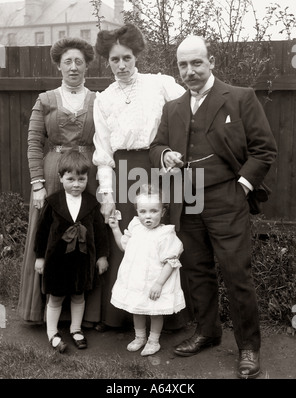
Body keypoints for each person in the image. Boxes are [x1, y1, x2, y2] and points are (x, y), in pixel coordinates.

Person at [149, 35, 277, 378]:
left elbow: (264, 150)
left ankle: (249, 347)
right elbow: (156, 145)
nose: (189, 71)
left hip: (227, 199)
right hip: (187, 200)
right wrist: (164, 154)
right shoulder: (172, 107)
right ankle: (207, 332)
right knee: (196, 271)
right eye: (183, 65)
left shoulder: (240, 98)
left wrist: (241, 187)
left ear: (212, 61)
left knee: (237, 274)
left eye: (196, 63)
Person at [92, 23, 192, 331]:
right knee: (130, 241)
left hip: (157, 168)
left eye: (127, 58)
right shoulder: (103, 99)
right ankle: (123, 318)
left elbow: (192, 106)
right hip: (124, 175)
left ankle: (167, 317)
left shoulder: (159, 84)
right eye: (114, 59)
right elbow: (103, 152)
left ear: (136, 56)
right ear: (107, 61)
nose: (121, 65)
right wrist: (107, 195)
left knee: (160, 241)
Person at [18, 37, 103, 328]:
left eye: (79, 61)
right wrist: (38, 183)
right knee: (50, 233)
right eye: (67, 61)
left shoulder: (97, 100)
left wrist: (104, 179)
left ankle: (86, 314)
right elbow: (33, 144)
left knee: (87, 235)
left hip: (86, 175)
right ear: (58, 65)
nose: (74, 66)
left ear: (87, 65)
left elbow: (105, 143)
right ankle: (44, 310)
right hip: (54, 174)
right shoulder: (45, 100)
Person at [34, 150, 109, 352]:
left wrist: (102, 256)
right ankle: (52, 332)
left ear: (86, 179)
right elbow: (41, 233)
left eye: (81, 179)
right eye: (70, 179)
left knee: (78, 296)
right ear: (60, 178)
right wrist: (40, 258)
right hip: (57, 260)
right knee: (56, 297)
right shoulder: (52, 202)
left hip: (82, 260)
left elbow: (101, 233)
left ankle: (76, 329)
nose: (76, 184)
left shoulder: (92, 203)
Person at [108, 184, 185, 356]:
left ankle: (153, 340)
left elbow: (171, 262)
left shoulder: (166, 234)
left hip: (155, 281)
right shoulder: (135, 227)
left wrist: (159, 284)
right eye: (143, 212)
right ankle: (140, 337)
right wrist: (115, 228)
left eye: (153, 211)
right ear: (137, 211)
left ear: (162, 212)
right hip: (136, 279)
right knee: (137, 308)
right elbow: (123, 246)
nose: (147, 216)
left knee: (155, 312)